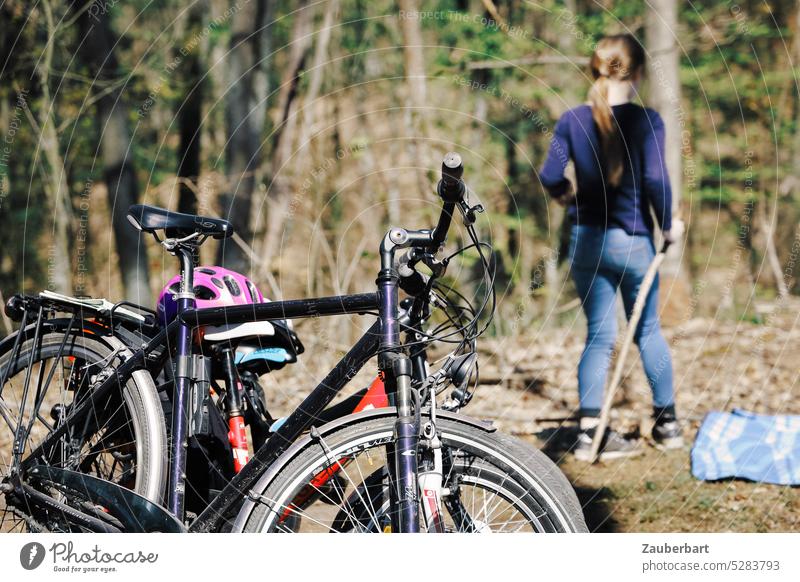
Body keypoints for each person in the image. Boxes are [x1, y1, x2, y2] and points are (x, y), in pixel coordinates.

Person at [539, 34, 685, 461]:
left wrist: (566, 194)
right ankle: (668, 425)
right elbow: (657, 180)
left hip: (587, 242)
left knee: (598, 338)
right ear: (636, 73)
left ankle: (588, 434)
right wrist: (669, 224)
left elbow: (549, 173)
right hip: (633, 242)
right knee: (648, 331)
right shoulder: (647, 121)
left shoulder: (571, 119)